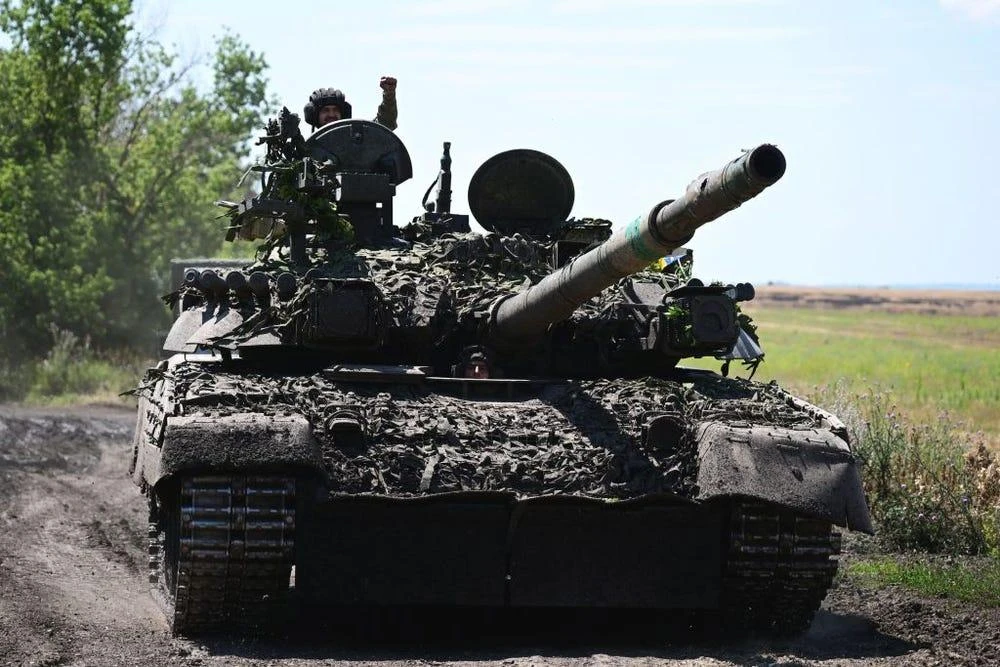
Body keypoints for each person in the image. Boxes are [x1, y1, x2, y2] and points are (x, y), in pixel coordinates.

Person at [303, 76, 398, 131]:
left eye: (336, 110)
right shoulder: (307, 151)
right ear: (316, 115)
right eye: (325, 110)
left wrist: (389, 96)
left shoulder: (358, 141)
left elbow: (384, 123)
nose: (331, 114)